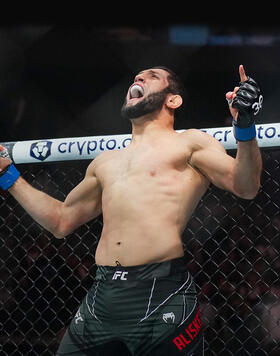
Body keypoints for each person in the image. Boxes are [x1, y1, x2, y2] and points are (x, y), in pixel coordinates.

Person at [0, 64, 263, 355]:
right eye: (138, 76)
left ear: (172, 100)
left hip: (160, 291)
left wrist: (245, 125)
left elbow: (246, 185)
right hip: (103, 294)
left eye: (152, 77)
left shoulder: (190, 142)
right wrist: (8, 176)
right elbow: (61, 221)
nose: (139, 78)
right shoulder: (105, 162)